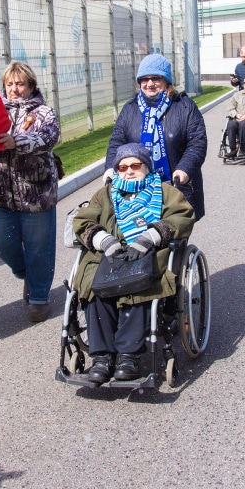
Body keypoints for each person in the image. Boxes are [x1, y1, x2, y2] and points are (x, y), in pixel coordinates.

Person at [72, 143, 195, 383]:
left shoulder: (166, 192)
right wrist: (103, 239)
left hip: (148, 252)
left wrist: (151, 236)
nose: (129, 170)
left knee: (140, 285)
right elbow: (82, 221)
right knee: (95, 287)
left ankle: (128, 356)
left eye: (135, 165)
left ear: (146, 167)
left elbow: (183, 216)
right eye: (122, 167)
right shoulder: (104, 195)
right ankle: (102, 358)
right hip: (108, 254)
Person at [0, 61, 61, 323]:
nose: (14, 89)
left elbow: (48, 138)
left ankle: (39, 297)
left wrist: (16, 141)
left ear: (31, 86)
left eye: (20, 84)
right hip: (0, 193)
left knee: (39, 249)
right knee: (1, 244)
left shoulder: (45, 112)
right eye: (9, 84)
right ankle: (26, 273)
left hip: (36, 193)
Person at [108, 54, 207, 220]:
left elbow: (197, 143)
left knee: (173, 239)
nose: (149, 84)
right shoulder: (130, 109)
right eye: (144, 79)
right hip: (136, 189)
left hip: (175, 188)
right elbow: (116, 143)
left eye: (156, 78)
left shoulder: (183, 106)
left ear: (166, 81)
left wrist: (185, 169)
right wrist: (110, 169)